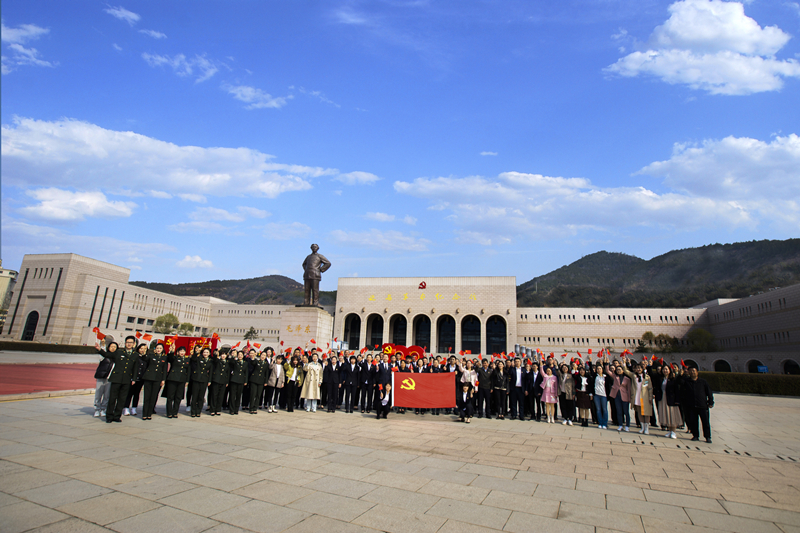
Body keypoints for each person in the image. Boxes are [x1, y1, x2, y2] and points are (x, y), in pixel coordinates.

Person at [100, 336, 140, 423]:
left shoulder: (135, 355)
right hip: (116, 378)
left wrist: (133, 379)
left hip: (126, 379)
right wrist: (99, 349)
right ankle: (109, 416)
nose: (129, 344)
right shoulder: (118, 352)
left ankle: (117, 416)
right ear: (125, 343)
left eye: (131, 342)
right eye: (127, 342)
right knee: (112, 398)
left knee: (122, 399)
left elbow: (135, 368)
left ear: (134, 344)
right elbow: (107, 354)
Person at [679, 366, 714, 443]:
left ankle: (707, 437)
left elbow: (709, 392)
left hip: (702, 405)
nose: (692, 372)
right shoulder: (686, 381)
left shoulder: (703, 382)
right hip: (691, 405)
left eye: (694, 371)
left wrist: (710, 402)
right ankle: (695, 435)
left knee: (705, 422)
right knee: (693, 421)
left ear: (697, 372)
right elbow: (680, 387)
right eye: (690, 371)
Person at [623, 360, 654, 435]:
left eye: (640, 368)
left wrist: (650, 397)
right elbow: (626, 371)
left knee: (646, 413)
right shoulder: (634, 376)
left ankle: (647, 428)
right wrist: (624, 363)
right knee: (639, 412)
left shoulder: (647, 377)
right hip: (637, 396)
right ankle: (642, 427)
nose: (639, 369)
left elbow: (650, 388)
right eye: (637, 368)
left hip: (645, 397)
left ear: (643, 369)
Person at [141, 342, 168, 420]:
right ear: (155, 349)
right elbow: (145, 359)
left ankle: (149, 414)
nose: (158, 350)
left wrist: (163, 379)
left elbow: (164, 369)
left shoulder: (164, 358)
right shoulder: (151, 356)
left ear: (162, 350)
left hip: (157, 379)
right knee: (147, 396)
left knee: (153, 396)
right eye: (157, 348)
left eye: (160, 348)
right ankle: (144, 414)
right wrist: (144, 353)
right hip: (149, 378)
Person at [606, 355, 633, 432]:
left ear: (622, 370)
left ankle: (627, 425)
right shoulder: (615, 377)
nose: (618, 370)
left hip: (625, 397)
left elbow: (629, 389)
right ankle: (620, 425)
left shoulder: (627, 379)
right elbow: (608, 371)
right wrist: (606, 362)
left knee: (626, 412)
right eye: (617, 369)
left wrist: (630, 398)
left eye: (619, 369)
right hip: (617, 396)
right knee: (619, 411)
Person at [655, 364, 682, 439]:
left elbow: (677, 390)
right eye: (664, 369)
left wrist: (677, 400)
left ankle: (673, 432)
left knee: (672, 415)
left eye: (666, 369)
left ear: (670, 370)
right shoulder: (661, 379)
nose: (665, 370)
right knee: (666, 415)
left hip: (671, 399)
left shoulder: (673, 379)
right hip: (663, 398)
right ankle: (670, 431)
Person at [123, 343, 149, 416]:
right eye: (141, 348)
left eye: (144, 349)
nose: (142, 350)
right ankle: (126, 408)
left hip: (141, 378)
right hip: (133, 378)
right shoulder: (135, 356)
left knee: (137, 393)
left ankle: (134, 408)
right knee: (129, 393)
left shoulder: (146, 358)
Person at [163, 345, 190, 418]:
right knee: (170, 397)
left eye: (183, 351)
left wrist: (187, 381)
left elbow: (188, 371)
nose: (182, 352)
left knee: (178, 397)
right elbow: (170, 358)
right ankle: (169, 412)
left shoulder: (187, 360)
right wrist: (172, 351)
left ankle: (175, 412)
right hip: (172, 379)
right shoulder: (174, 358)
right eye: (180, 351)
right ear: (177, 352)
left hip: (182, 380)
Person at [93, 340, 115, 418]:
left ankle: (103, 409)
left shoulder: (116, 357)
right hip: (101, 377)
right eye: (111, 346)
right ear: (108, 347)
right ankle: (97, 409)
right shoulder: (104, 356)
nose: (113, 348)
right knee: (98, 394)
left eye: (115, 347)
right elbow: (101, 353)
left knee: (107, 395)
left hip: (110, 379)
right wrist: (101, 346)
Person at [190, 347, 212, 417]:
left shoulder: (210, 361)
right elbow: (193, 358)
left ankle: (198, 411)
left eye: (207, 352)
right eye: (204, 352)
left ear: (209, 354)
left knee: (201, 396)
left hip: (204, 380)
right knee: (195, 396)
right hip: (197, 379)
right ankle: (193, 411)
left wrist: (209, 381)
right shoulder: (199, 358)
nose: (205, 354)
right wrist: (196, 352)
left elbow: (210, 372)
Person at [208, 350, 230, 416]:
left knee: (221, 396)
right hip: (216, 380)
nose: (223, 356)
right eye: (222, 354)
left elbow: (228, 373)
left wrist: (227, 382)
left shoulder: (227, 363)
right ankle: (212, 409)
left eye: (224, 354)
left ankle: (218, 409)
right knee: (214, 395)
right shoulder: (217, 361)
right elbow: (214, 359)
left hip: (223, 381)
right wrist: (215, 353)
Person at [247, 349, 269, 414]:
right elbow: (252, 363)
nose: (263, 356)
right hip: (254, 380)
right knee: (253, 394)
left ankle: (255, 408)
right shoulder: (257, 361)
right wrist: (253, 357)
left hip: (261, 381)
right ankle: (251, 407)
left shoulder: (266, 363)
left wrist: (266, 382)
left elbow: (266, 373)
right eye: (262, 355)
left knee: (258, 395)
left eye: (264, 355)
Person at [539, 357, 559, 423]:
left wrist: (556, 394)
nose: (548, 372)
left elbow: (556, 386)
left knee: (552, 406)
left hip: (552, 393)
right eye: (547, 371)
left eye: (549, 371)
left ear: (551, 371)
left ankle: (552, 417)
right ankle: (548, 417)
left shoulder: (554, 377)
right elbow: (541, 371)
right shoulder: (545, 376)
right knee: (547, 405)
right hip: (546, 392)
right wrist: (541, 365)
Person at [228, 350, 248, 415]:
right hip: (234, 380)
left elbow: (246, 373)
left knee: (238, 395)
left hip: (241, 381)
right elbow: (231, 362)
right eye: (239, 354)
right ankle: (231, 409)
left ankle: (236, 409)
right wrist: (233, 356)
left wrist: (245, 381)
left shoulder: (245, 363)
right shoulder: (235, 361)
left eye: (241, 355)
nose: (240, 356)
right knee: (232, 395)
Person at [591, 362, 610, 429]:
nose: (599, 370)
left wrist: (606, 363)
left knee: (604, 409)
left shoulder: (605, 377)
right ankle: (600, 423)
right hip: (596, 395)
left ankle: (604, 423)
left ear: (602, 369)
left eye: (600, 369)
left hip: (604, 395)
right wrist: (590, 362)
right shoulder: (595, 376)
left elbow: (608, 386)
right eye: (597, 369)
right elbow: (591, 369)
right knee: (598, 409)